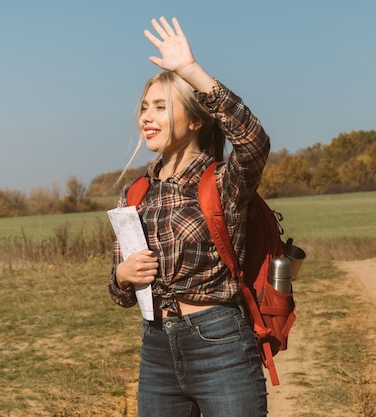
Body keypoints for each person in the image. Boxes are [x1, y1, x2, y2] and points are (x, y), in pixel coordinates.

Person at [108, 17, 270, 417]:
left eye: (161, 107)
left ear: (196, 119)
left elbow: (252, 141)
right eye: (145, 107)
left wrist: (191, 72)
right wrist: (122, 277)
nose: (146, 116)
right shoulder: (136, 193)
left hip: (221, 343)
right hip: (157, 346)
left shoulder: (223, 182)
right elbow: (120, 292)